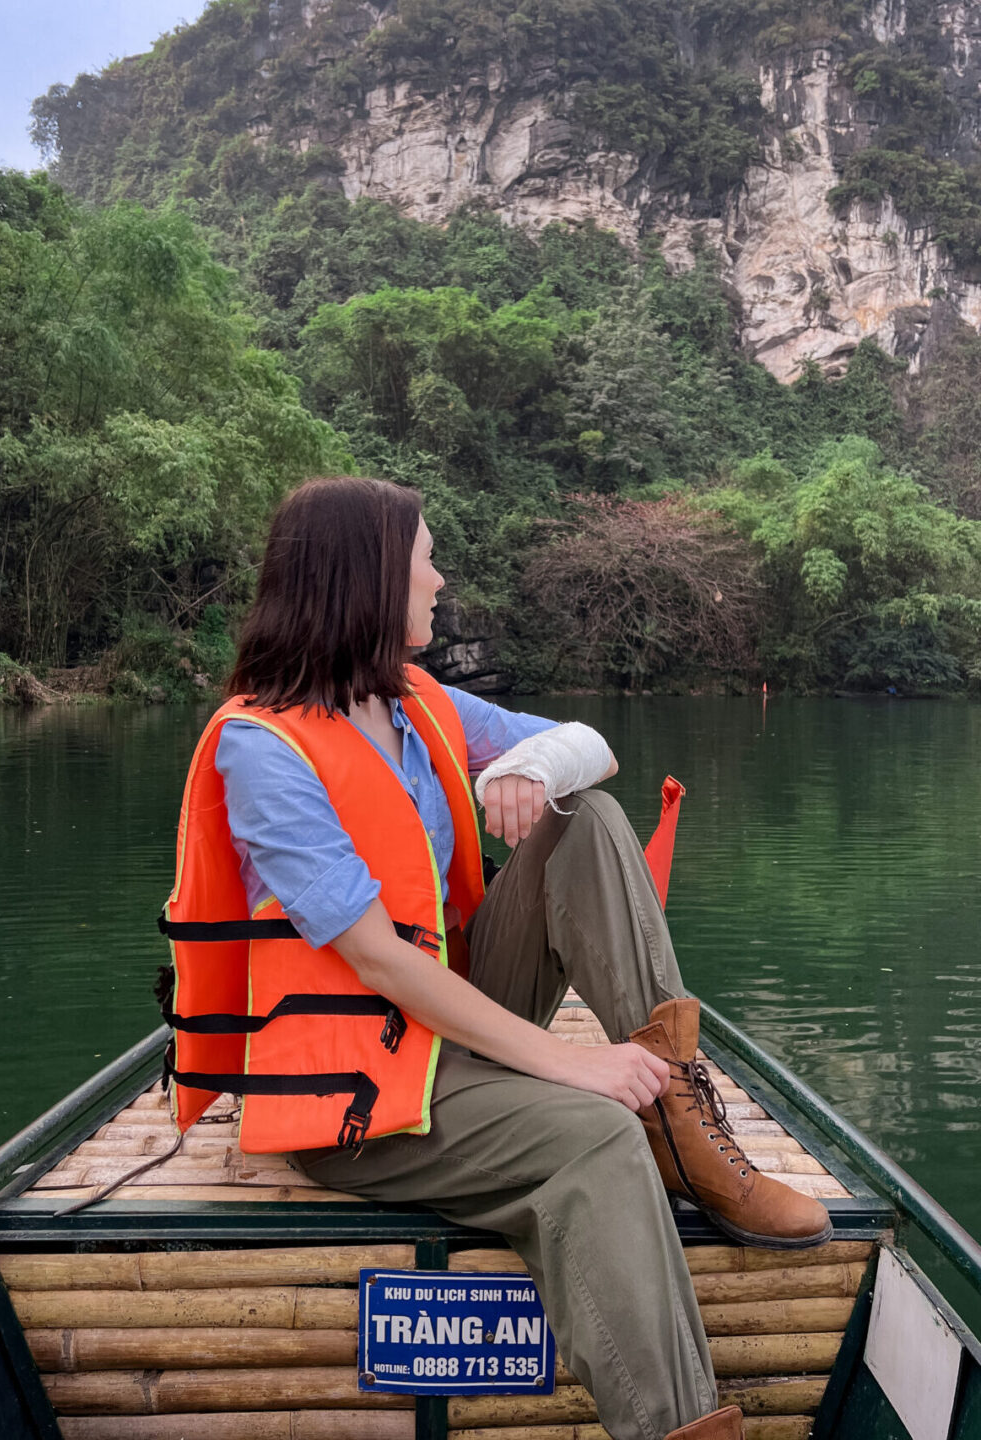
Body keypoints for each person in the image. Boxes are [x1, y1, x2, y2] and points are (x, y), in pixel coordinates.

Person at [166, 475, 833, 1440]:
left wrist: (526, 768)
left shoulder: (418, 704)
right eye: (424, 558)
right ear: (365, 576)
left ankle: (681, 1112)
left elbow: (592, 746)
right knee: (600, 1133)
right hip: (357, 1094)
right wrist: (575, 1064)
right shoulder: (260, 749)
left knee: (586, 817)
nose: (439, 579)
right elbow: (380, 961)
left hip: (452, 1029)